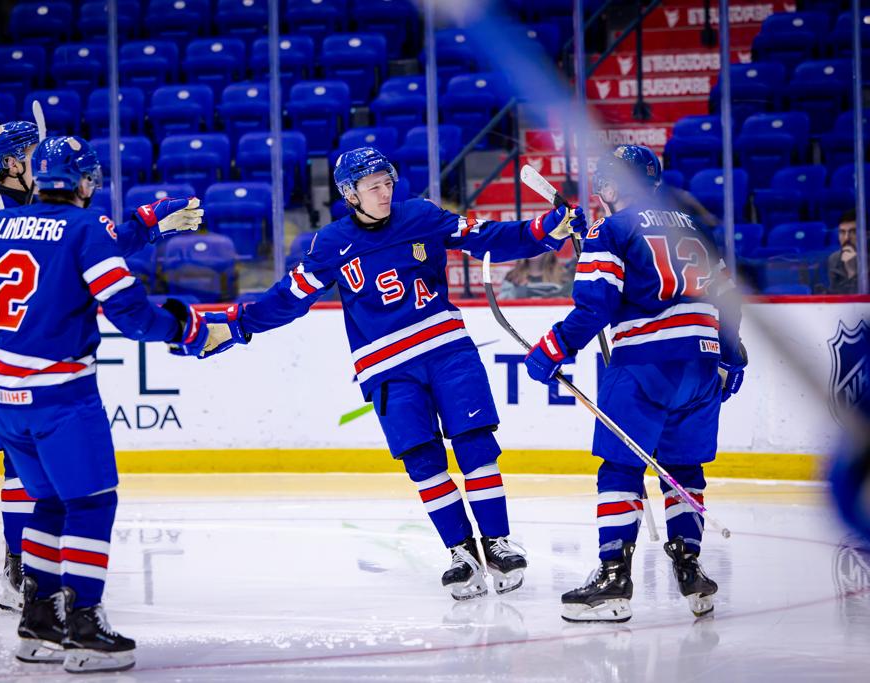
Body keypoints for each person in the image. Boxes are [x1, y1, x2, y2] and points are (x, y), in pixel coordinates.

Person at [184, 147, 586, 600]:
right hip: (386, 368)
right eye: (373, 186)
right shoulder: (330, 244)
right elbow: (287, 299)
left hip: (448, 350)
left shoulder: (421, 216)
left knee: (476, 444)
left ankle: (497, 542)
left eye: (387, 182)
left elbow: (487, 236)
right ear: (349, 194)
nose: (384, 192)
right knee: (422, 460)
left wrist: (545, 230)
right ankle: (461, 552)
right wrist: (239, 325)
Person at [0, 136, 209, 673]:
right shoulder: (85, 227)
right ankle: (85, 627)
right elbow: (130, 312)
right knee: (91, 502)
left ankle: (38, 621)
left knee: (48, 501)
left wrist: (13, 330)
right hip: (58, 396)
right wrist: (184, 330)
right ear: (83, 182)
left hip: (0, 394)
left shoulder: (0, 226)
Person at [521, 145, 746, 622]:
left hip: (644, 365)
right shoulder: (694, 227)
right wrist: (730, 358)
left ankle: (612, 579)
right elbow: (730, 301)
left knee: (620, 469)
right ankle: (690, 569)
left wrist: (553, 348)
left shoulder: (611, 229)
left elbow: (596, 306)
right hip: (702, 365)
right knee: (683, 468)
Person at [498, 252, 571, 299]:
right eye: (528, 243)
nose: (532, 247)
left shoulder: (563, 275)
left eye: (537, 242)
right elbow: (501, 302)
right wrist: (518, 291)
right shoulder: (512, 276)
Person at [828, 210, 858, 294]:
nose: (846, 238)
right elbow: (834, 295)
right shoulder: (834, 259)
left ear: (867, 234)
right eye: (842, 232)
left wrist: (852, 272)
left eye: (853, 232)